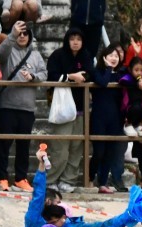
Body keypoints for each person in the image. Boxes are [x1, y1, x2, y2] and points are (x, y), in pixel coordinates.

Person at [0, 21, 46, 192]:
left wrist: (33, 76)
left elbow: (44, 73)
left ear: (30, 36)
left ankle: (20, 178)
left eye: (26, 34)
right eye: (20, 34)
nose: (22, 36)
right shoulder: (9, 50)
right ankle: (2, 178)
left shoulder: (36, 55)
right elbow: (0, 53)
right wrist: (12, 35)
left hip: (27, 107)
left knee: (23, 145)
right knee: (4, 144)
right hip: (8, 105)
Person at [45, 28, 94, 193]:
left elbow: (90, 74)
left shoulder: (86, 56)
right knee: (60, 148)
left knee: (76, 148)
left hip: (81, 109)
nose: (75, 42)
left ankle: (68, 180)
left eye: (78, 39)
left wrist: (83, 77)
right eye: (72, 38)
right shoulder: (58, 55)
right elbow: (51, 76)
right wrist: (71, 77)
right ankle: (51, 179)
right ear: (67, 40)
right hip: (62, 109)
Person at [90, 46, 126, 194]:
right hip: (99, 117)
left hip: (115, 118)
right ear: (104, 57)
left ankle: (103, 182)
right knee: (99, 152)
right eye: (111, 55)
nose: (114, 58)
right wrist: (109, 69)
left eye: (116, 56)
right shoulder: (97, 71)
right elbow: (103, 82)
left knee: (110, 152)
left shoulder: (122, 75)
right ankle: (90, 179)